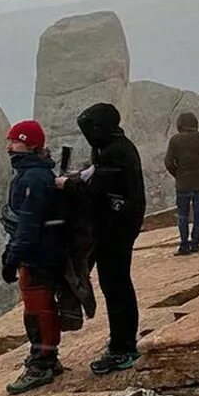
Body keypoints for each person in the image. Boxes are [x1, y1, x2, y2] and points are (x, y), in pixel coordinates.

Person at [58, 103, 146, 375]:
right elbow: (98, 180)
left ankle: (123, 349)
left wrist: (68, 184)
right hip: (114, 224)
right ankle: (121, 342)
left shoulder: (116, 152)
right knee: (115, 284)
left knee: (116, 285)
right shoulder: (112, 146)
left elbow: (96, 190)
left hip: (117, 228)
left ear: (99, 129)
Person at [0, 119, 69, 394]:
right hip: (43, 251)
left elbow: (28, 226)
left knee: (38, 307)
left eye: (15, 141)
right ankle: (44, 356)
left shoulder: (33, 179)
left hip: (39, 254)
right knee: (39, 306)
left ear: (29, 144)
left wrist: (11, 258)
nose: (9, 146)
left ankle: (43, 363)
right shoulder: (35, 173)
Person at [163, 111, 199, 256]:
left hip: (182, 183)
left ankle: (184, 245)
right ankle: (195, 244)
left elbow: (168, 162)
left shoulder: (175, 140)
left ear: (180, 125)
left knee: (183, 215)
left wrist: (177, 175)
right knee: (198, 213)